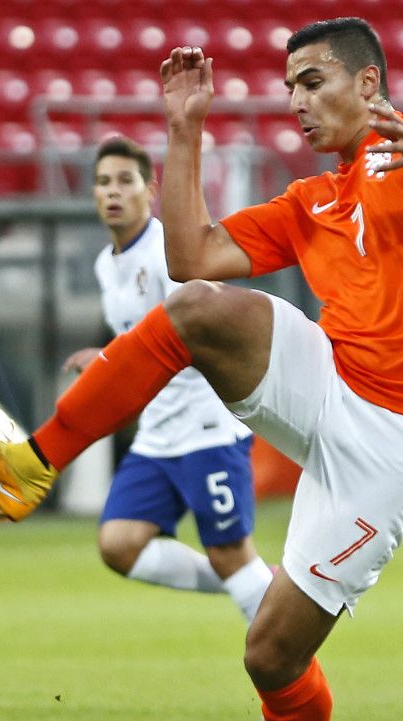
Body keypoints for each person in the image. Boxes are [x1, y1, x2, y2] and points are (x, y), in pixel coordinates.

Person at [0, 17, 403, 720]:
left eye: (312, 81)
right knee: (199, 306)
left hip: (402, 438)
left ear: (367, 82)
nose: (295, 100)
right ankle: (31, 462)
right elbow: (190, 259)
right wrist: (183, 129)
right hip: (329, 381)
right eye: (289, 86)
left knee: (269, 654)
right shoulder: (311, 201)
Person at [63, 135, 272, 622]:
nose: (112, 192)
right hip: (158, 436)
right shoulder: (106, 264)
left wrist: (120, 363)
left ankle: (287, 662)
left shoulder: (166, 253)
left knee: (229, 554)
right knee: (119, 544)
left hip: (205, 429)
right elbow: (141, 336)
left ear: (149, 189)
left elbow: (199, 328)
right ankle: (261, 586)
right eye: (102, 182)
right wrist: (110, 355)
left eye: (124, 181)